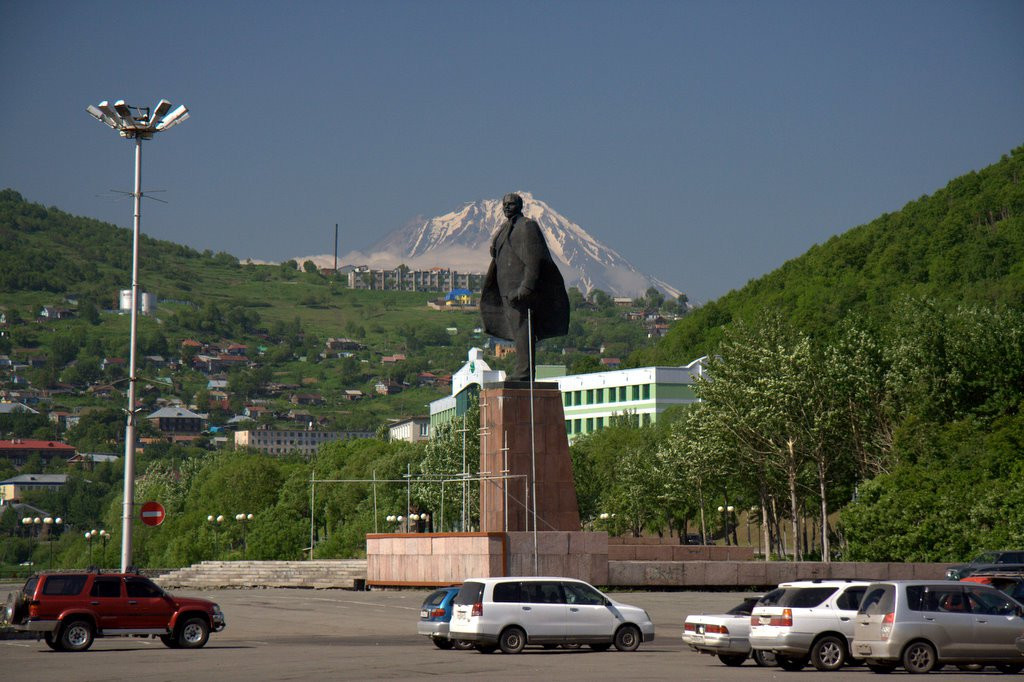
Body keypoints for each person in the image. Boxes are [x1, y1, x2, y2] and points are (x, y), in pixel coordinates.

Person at [480, 192, 570, 381]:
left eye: (511, 204)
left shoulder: (527, 227)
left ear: (520, 206)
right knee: (517, 331)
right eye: (504, 204)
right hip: (506, 292)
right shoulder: (505, 229)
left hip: (520, 293)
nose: (506, 207)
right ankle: (521, 369)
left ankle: (525, 372)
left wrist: (526, 288)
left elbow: (534, 260)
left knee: (523, 330)